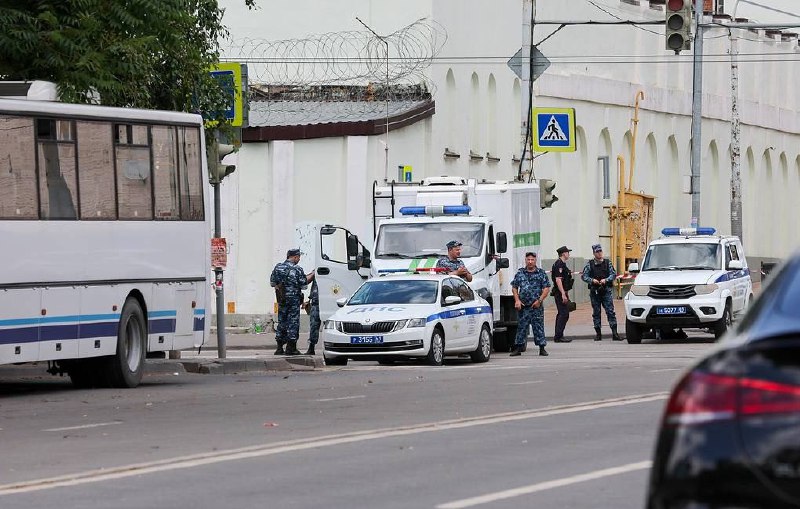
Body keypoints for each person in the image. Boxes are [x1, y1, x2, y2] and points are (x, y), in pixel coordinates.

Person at [270, 248, 313, 355]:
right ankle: (291, 348)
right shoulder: (297, 269)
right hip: (294, 300)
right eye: (298, 257)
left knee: (282, 321)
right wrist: (312, 275)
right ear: (295, 257)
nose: (299, 259)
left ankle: (279, 347)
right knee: (293, 322)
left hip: (282, 299)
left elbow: (272, 283)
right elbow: (304, 285)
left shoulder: (277, 267)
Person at [511, 252, 551, 356]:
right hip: (524, 306)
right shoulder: (520, 273)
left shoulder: (541, 273)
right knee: (521, 327)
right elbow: (514, 287)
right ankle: (518, 348)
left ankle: (542, 348)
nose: (530, 262)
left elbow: (546, 288)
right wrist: (517, 300)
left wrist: (540, 300)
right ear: (525, 260)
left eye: (532, 260)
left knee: (538, 327)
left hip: (536, 306)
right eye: (528, 260)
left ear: (535, 260)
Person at [581, 244, 622, 341]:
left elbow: (613, 274)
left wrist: (606, 280)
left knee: (610, 311)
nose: (599, 253)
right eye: (597, 252)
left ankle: (615, 333)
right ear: (594, 253)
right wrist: (592, 280)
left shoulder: (608, 263)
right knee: (596, 312)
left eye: (600, 251)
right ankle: (598, 334)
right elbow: (584, 276)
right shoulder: (590, 264)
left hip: (606, 290)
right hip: (595, 291)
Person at [551, 245, 574, 343]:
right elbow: (558, 280)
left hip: (562, 292)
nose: (569, 254)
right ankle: (558, 336)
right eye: (568, 252)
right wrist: (563, 294)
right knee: (564, 314)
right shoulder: (559, 264)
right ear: (564, 253)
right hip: (560, 293)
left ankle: (559, 335)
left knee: (562, 313)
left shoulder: (562, 264)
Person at [305, 275, 320, 355]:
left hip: (328, 301)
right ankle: (311, 348)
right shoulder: (316, 270)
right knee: (314, 326)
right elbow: (306, 281)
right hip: (315, 302)